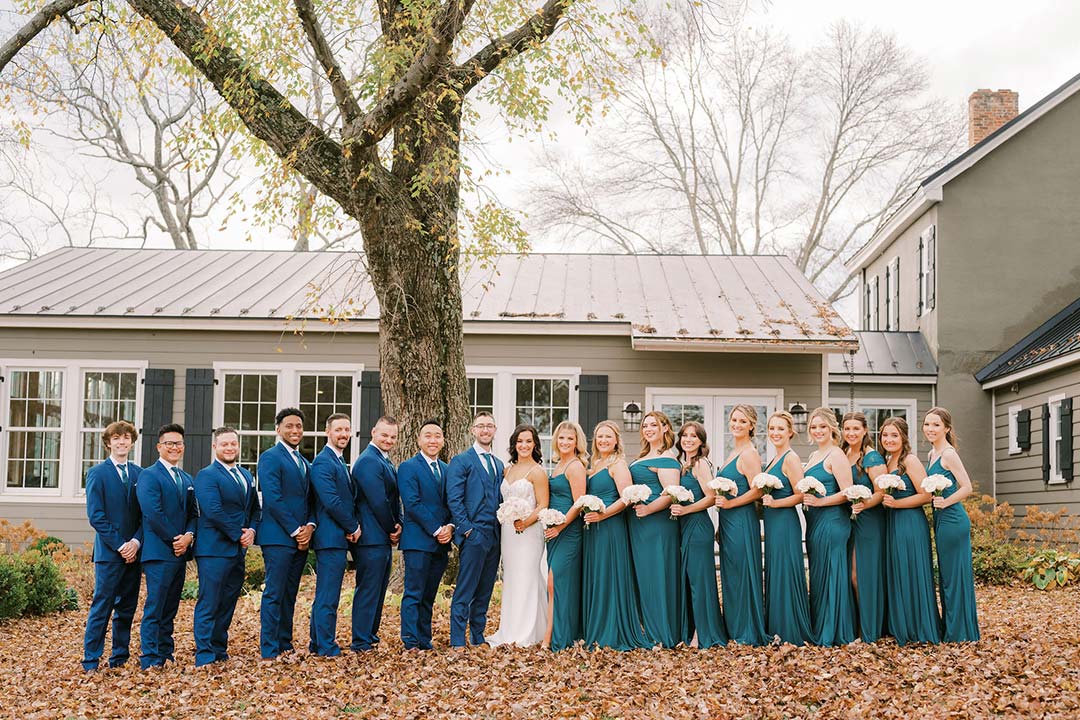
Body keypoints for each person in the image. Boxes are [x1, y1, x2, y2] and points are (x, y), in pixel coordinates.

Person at [192, 426, 261, 667]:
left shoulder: (246, 475)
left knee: (228, 601)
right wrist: (238, 534)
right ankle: (204, 653)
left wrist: (252, 530)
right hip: (213, 549)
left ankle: (220, 649)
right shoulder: (206, 475)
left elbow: (254, 508)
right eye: (225, 444)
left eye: (233, 444)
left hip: (236, 550)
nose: (230, 448)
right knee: (210, 601)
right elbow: (213, 511)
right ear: (215, 447)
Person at [581, 420, 651, 650]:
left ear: (616, 440)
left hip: (610, 527)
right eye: (599, 437)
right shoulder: (597, 463)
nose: (603, 441)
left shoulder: (618, 464)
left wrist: (602, 516)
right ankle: (597, 628)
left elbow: (626, 498)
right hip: (594, 530)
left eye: (608, 437)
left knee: (609, 575)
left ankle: (612, 630)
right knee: (598, 575)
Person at [82, 420, 143, 672]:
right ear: (108, 442)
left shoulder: (140, 473)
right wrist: (121, 545)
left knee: (127, 608)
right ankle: (91, 659)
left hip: (135, 553)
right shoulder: (97, 473)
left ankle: (119, 657)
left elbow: (145, 515)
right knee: (102, 605)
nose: (122, 441)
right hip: (109, 553)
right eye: (116, 438)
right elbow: (96, 516)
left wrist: (136, 543)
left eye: (126, 437)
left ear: (131, 442)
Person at [256, 408, 315, 660]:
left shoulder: (304, 462)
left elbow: (311, 499)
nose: (295, 430)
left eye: (299, 426)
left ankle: (284, 643)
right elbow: (273, 498)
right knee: (274, 592)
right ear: (278, 428)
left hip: (301, 539)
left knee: (290, 593)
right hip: (278, 537)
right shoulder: (270, 457)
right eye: (289, 426)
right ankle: (269, 648)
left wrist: (310, 526)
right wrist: (295, 530)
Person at [136, 423, 196, 669]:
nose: (174, 447)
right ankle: (150, 657)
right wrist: (176, 539)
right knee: (156, 606)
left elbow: (194, 512)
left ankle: (165, 653)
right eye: (169, 443)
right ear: (159, 446)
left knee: (171, 607)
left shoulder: (186, 478)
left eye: (178, 443)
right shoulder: (149, 475)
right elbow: (153, 513)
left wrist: (189, 536)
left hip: (180, 552)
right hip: (160, 552)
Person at [880, 416, 941, 645]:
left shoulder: (910, 460)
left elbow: (927, 495)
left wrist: (897, 504)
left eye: (894, 435)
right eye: (885, 435)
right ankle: (901, 625)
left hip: (910, 522)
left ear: (904, 437)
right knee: (897, 571)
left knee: (912, 571)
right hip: (892, 522)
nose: (889, 439)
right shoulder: (887, 462)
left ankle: (919, 627)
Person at [446, 411, 505, 648]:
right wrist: (467, 530)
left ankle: (478, 635)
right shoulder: (462, 461)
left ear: (494, 430)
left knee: (486, 588)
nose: (485, 430)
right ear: (473, 430)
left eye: (489, 426)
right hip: (474, 534)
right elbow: (454, 498)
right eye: (480, 426)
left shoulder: (498, 464)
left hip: (495, 535)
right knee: (466, 587)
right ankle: (458, 639)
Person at [627, 410, 684, 647]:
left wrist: (649, 510)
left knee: (657, 575)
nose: (648, 429)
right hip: (638, 526)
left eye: (654, 425)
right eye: (645, 425)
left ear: (665, 429)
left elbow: (672, 494)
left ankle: (661, 632)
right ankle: (645, 626)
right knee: (643, 575)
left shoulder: (668, 459)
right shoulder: (643, 456)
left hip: (656, 526)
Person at [488, 424, 548, 647]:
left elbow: (543, 504)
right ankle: (510, 628)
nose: (524, 445)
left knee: (528, 576)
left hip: (529, 532)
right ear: (514, 444)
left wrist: (526, 522)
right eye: (520, 441)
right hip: (508, 533)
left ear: (535, 445)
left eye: (528, 441)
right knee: (512, 578)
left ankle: (528, 631)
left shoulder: (538, 472)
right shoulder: (507, 470)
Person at [802, 407, 857, 647]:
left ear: (832, 428)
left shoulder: (836, 455)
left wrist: (821, 501)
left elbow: (849, 493)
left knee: (833, 573)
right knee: (819, 573)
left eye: (822, 426)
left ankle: (835, 630)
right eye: (814, 427)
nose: (818, 431)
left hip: (833, 521)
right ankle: (821, 624)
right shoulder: (814, 456)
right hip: (814, 521)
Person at [308, 413, 362, 657]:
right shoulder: (323, 462)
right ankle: (326, 645)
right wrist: (353, 526)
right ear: (327, 432)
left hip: (337, 537)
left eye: (347, 430)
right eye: (338, 430)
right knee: (328, 595)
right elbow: (332, 501)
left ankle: (317, 643)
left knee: (327, 594)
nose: (343, 434)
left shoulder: (338, 460)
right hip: (330, 538)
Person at [923, 407, 980, 642]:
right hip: (941, 519)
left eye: (936, 424)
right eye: (927, 424)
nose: (930, 429)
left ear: (946, 428)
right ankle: (951, 629)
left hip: (954, 520)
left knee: (955, 577)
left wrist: (945, 501)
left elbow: (967, 487)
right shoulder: (931, 454)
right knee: (946, 576)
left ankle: (961, 633)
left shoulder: (948, 454)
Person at [397, 419, 454, 651]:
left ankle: (424, 638)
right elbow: (412, 503)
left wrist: (450, 526)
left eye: (437, 436)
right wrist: (437, 529)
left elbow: (453, 502)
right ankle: (410, 640)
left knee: (429, 593)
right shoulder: (408, 467)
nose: (433, 440)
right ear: (419, 440)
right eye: (428, 435)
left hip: (441, 543)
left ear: (443, 440)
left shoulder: (447, 469)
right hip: (418, 541)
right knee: (414, 592)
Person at [669, 421, 727, 649]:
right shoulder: (680, 464)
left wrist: (686, 509)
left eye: (694, 436)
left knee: (699, 582)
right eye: (685, 436)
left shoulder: (701, 464)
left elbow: (711, 497)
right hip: (683, 527)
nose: (689, 440)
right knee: (689, 580)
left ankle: (703, 634)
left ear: (701, 441)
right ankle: (690, 629)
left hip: (697, 526)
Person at [713, 405, 767, 646]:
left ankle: (746, 630)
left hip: (742, 520)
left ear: (751, 425)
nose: (736, 424)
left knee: (742, 571)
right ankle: (734, 627)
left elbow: (758, 490)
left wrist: (731, 504)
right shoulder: (733, 452)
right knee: (731, 573)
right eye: (733, 420)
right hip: (728, 520)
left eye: (742, 421)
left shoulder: (749, 454)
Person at [760, 411, 813, 647]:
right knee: (775, 570)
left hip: (784, 522)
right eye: (772, 428)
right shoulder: (774, 458)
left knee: (785, 571)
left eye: (780, 429)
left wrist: (776, 502)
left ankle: (789, 629)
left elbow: (802, 494)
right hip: (773, 523)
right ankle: (776, 627)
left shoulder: (790, 458)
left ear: (790, 432)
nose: (775, 433)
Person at [351, 415, 403, 652]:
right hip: (371, 537)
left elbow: (393, 499)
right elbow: (378, 502)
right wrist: (393, 528)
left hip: (380, 537)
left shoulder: (384, 460)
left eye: (393, 436)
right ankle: (360, 640)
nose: (388, 440)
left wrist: (398, 523)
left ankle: (370, 635)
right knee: (369, 590)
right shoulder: (368, 462)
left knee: (379, 589)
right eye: (384, 435)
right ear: (373, 432)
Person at [841, 411, 888, 642]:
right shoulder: (843, 453)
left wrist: (863, 505)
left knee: (860, 575)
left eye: (856, 429)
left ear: (865, 431)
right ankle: (853, 626)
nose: (851, 433)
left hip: (868, 521)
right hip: (848, 521)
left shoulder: (871, 457)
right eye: (847, 428)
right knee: (848, 574)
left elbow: (881, 493)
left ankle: (868, 630)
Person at [543, 421, 588, 651]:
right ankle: (559, 633)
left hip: (568, 532)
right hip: (554, 532)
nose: (565, 442)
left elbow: (579, 503)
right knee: (556, 584)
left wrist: (560, 527)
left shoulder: (575, 466)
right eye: (561, 438)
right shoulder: (558, 465)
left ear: (577, 442)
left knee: (556, 581)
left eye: (570, 439)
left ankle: (552, 638)